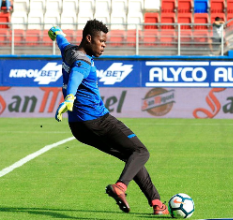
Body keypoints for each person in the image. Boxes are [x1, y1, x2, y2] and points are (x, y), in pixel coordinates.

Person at [48, 19, 169, 215]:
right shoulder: (83, 61)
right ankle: (120, 186)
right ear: (89, 39)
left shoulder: (68, 49)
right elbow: (76, 76)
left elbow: (60, 39)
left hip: (79, 128)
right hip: (98, 120)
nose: (104, 45)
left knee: (132, 157)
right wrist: (70, 97)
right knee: (141, 151)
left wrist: (56, 32)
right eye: (101, 41)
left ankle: (156, 203)